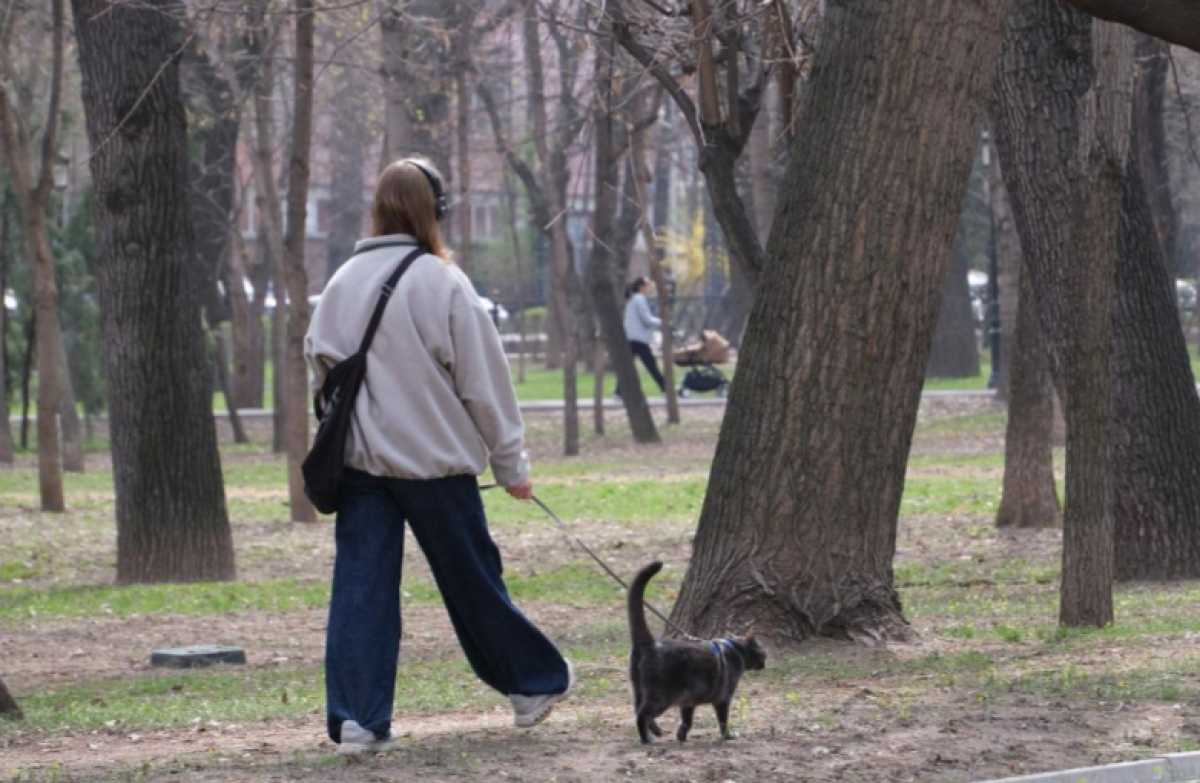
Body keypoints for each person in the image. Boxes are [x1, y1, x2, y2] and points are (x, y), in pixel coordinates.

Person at [304, 157, 573, 755]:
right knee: (473, 582)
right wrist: (512, 466)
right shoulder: (443, 282)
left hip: (361, 469)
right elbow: (486, 383)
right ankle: (530, 687)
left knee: (360, 593)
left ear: (377, 207)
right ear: (435, 210)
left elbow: (321, 382)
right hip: (435, 466)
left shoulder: (339, 285)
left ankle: (356, 721)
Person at [616, 276, 666, 398]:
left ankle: (618, 392)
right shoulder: (639, 299)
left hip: (632, 338)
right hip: (638, 339)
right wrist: (663, 322)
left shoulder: (633, 299)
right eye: (648, 284)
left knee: (628, 367)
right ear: (641, 287)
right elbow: (647, 319)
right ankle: (666, 388)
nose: (650, 287)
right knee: (651, 365)